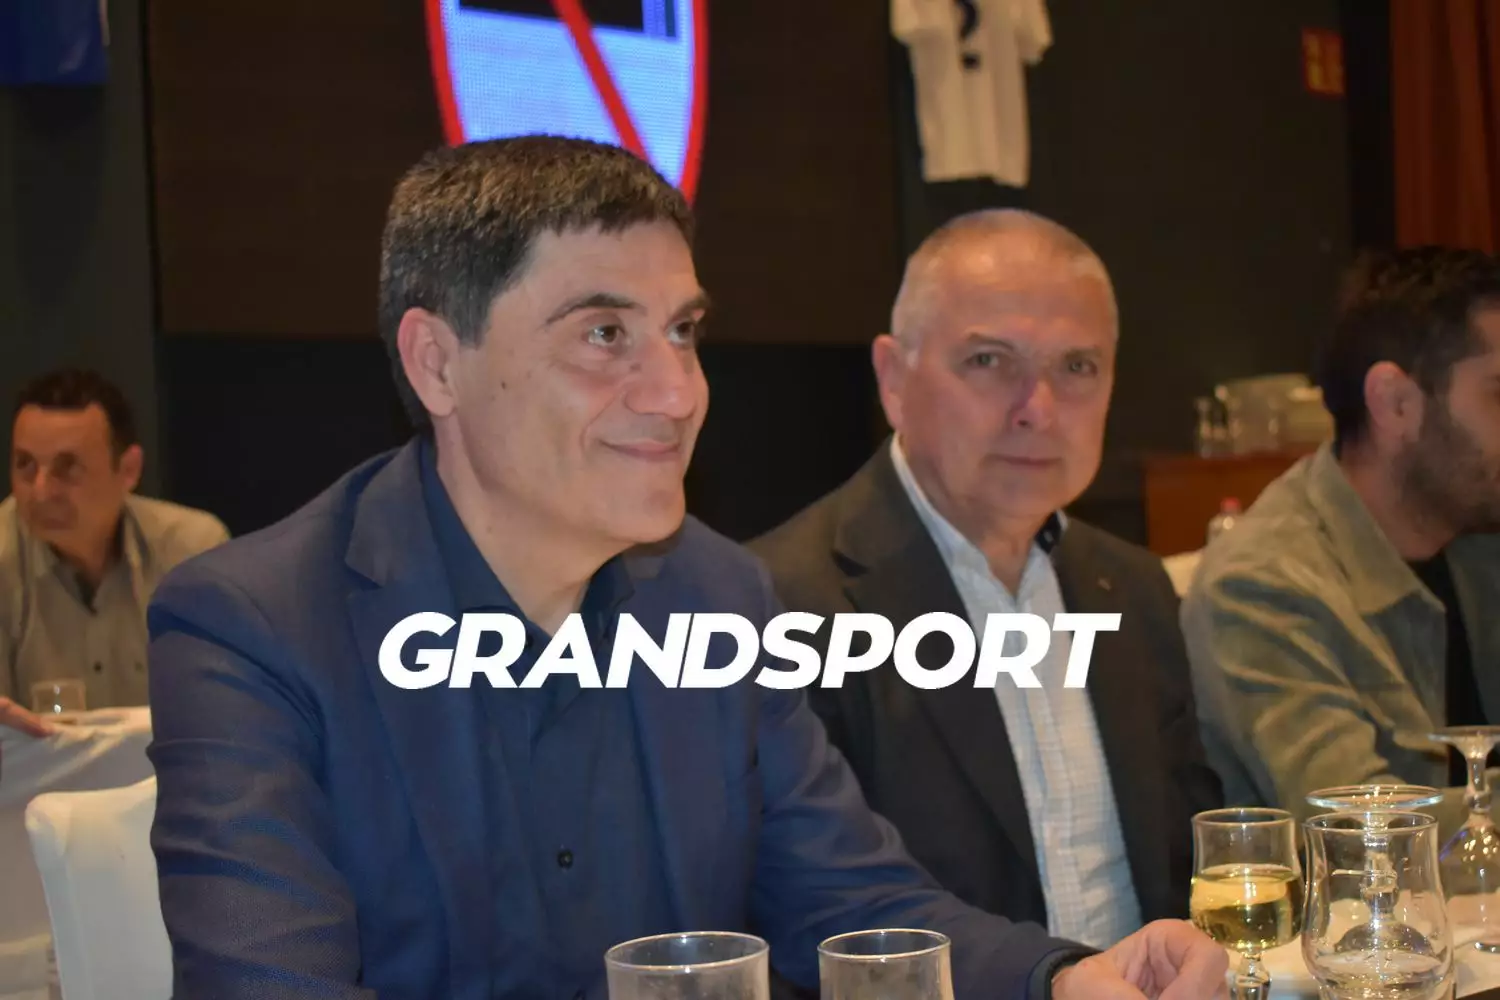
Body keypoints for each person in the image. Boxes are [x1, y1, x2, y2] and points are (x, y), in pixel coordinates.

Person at [145, 138, 1226, 1000]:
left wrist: (1063, 978)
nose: (679, 392)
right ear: (437, 363)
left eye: (683, 331)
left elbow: (852, 904)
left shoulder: (717, 598)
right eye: (604, 334)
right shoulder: (254, 629)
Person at [751, 210, 1222, 947]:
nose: (1039, 409)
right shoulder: (783, 604)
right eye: (988, 361)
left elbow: (1191, 869)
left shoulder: (1135, 589)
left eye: (1077, 367)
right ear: (893, 379)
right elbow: (815, 923)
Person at [1181, 246, 1500, 826]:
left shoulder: (1479, 537)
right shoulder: (1262, 584)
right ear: (1396, 403)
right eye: (1498, 393)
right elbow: (1364, 831)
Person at [1, 369, 228, 730]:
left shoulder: (190, 550)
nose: (40, 491)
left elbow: (225, 709)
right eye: (25, 464)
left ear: (128, 469)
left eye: (67, 467)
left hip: (166, 767)